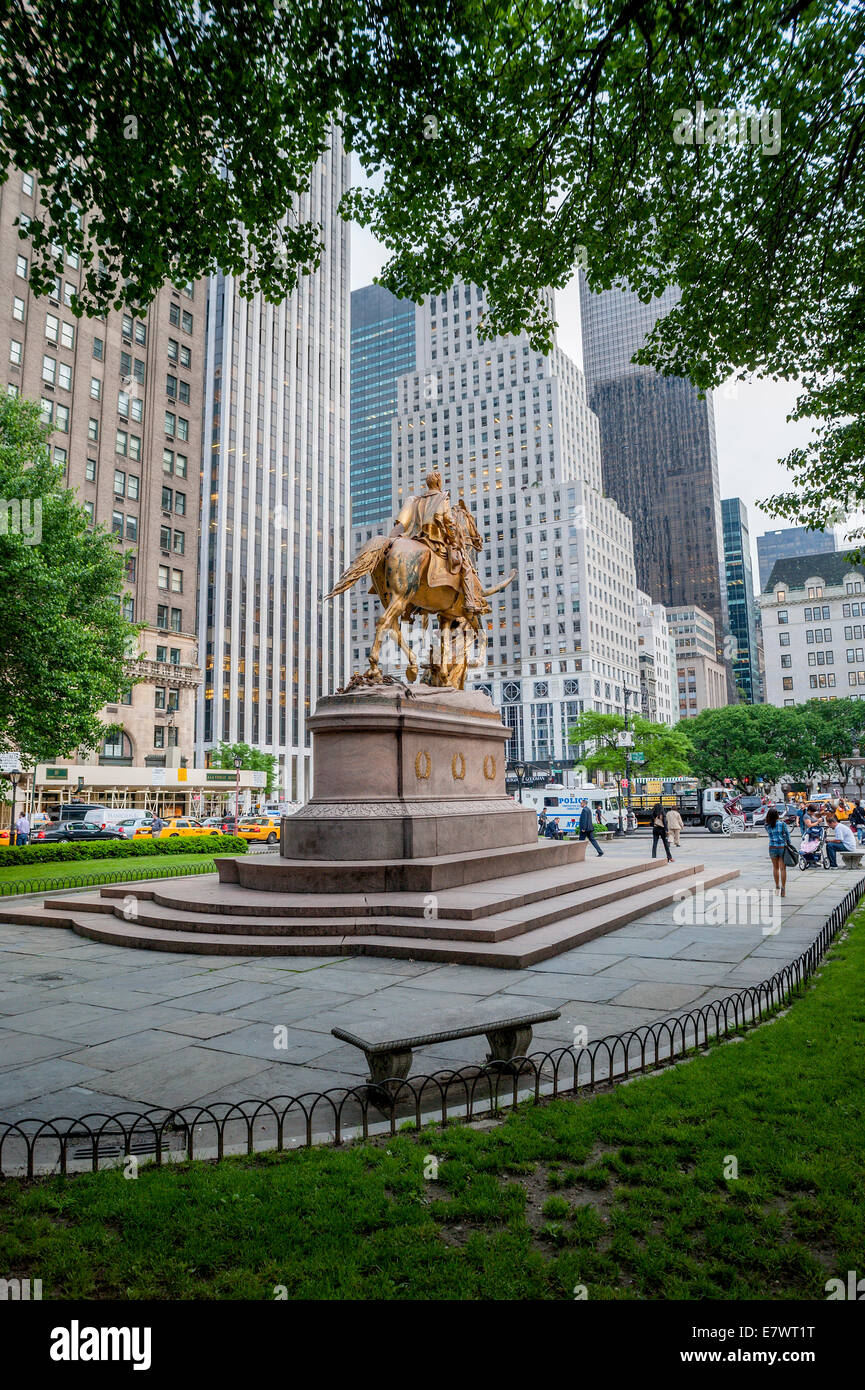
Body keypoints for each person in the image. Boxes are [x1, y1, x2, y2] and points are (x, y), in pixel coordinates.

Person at [765, 807, 793, 896]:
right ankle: (783, 888)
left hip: (772, 847)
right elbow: (787, 836)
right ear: (777, 815)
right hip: (782, 847)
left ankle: (777, 886)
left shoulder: (766, 825)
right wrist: (789, 843)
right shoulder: (782, 824)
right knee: (782, 868)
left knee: (775, 868)